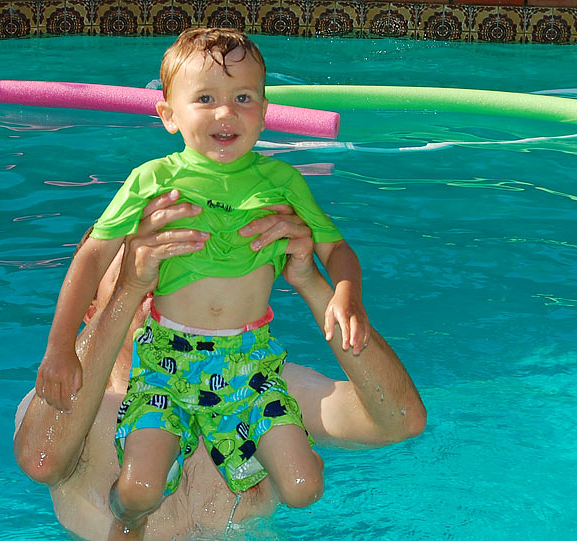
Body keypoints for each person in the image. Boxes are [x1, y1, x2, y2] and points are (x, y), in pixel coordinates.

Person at [36, 28, 373, 538]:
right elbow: (90, 257)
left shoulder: (281, 182)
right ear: (168, 115)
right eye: (206, 99)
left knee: (305, 486)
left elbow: (336, 248)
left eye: (243, 98)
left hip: (247, 358)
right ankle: (133, 513)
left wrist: (346, 292)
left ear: (264, 109)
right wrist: (60, 347)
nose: (226, 113)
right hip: (168, 361)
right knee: (138, 494)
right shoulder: (152, 179)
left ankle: (237, 455)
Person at [14, 194, 426, 540]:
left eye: (180, 272)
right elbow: (42, 460)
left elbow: (398, 421)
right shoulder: (67, 407)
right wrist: (130, 291)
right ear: (91, 308)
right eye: (140, 270)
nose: (161, 286)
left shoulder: (263, 388)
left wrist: (313, 284)